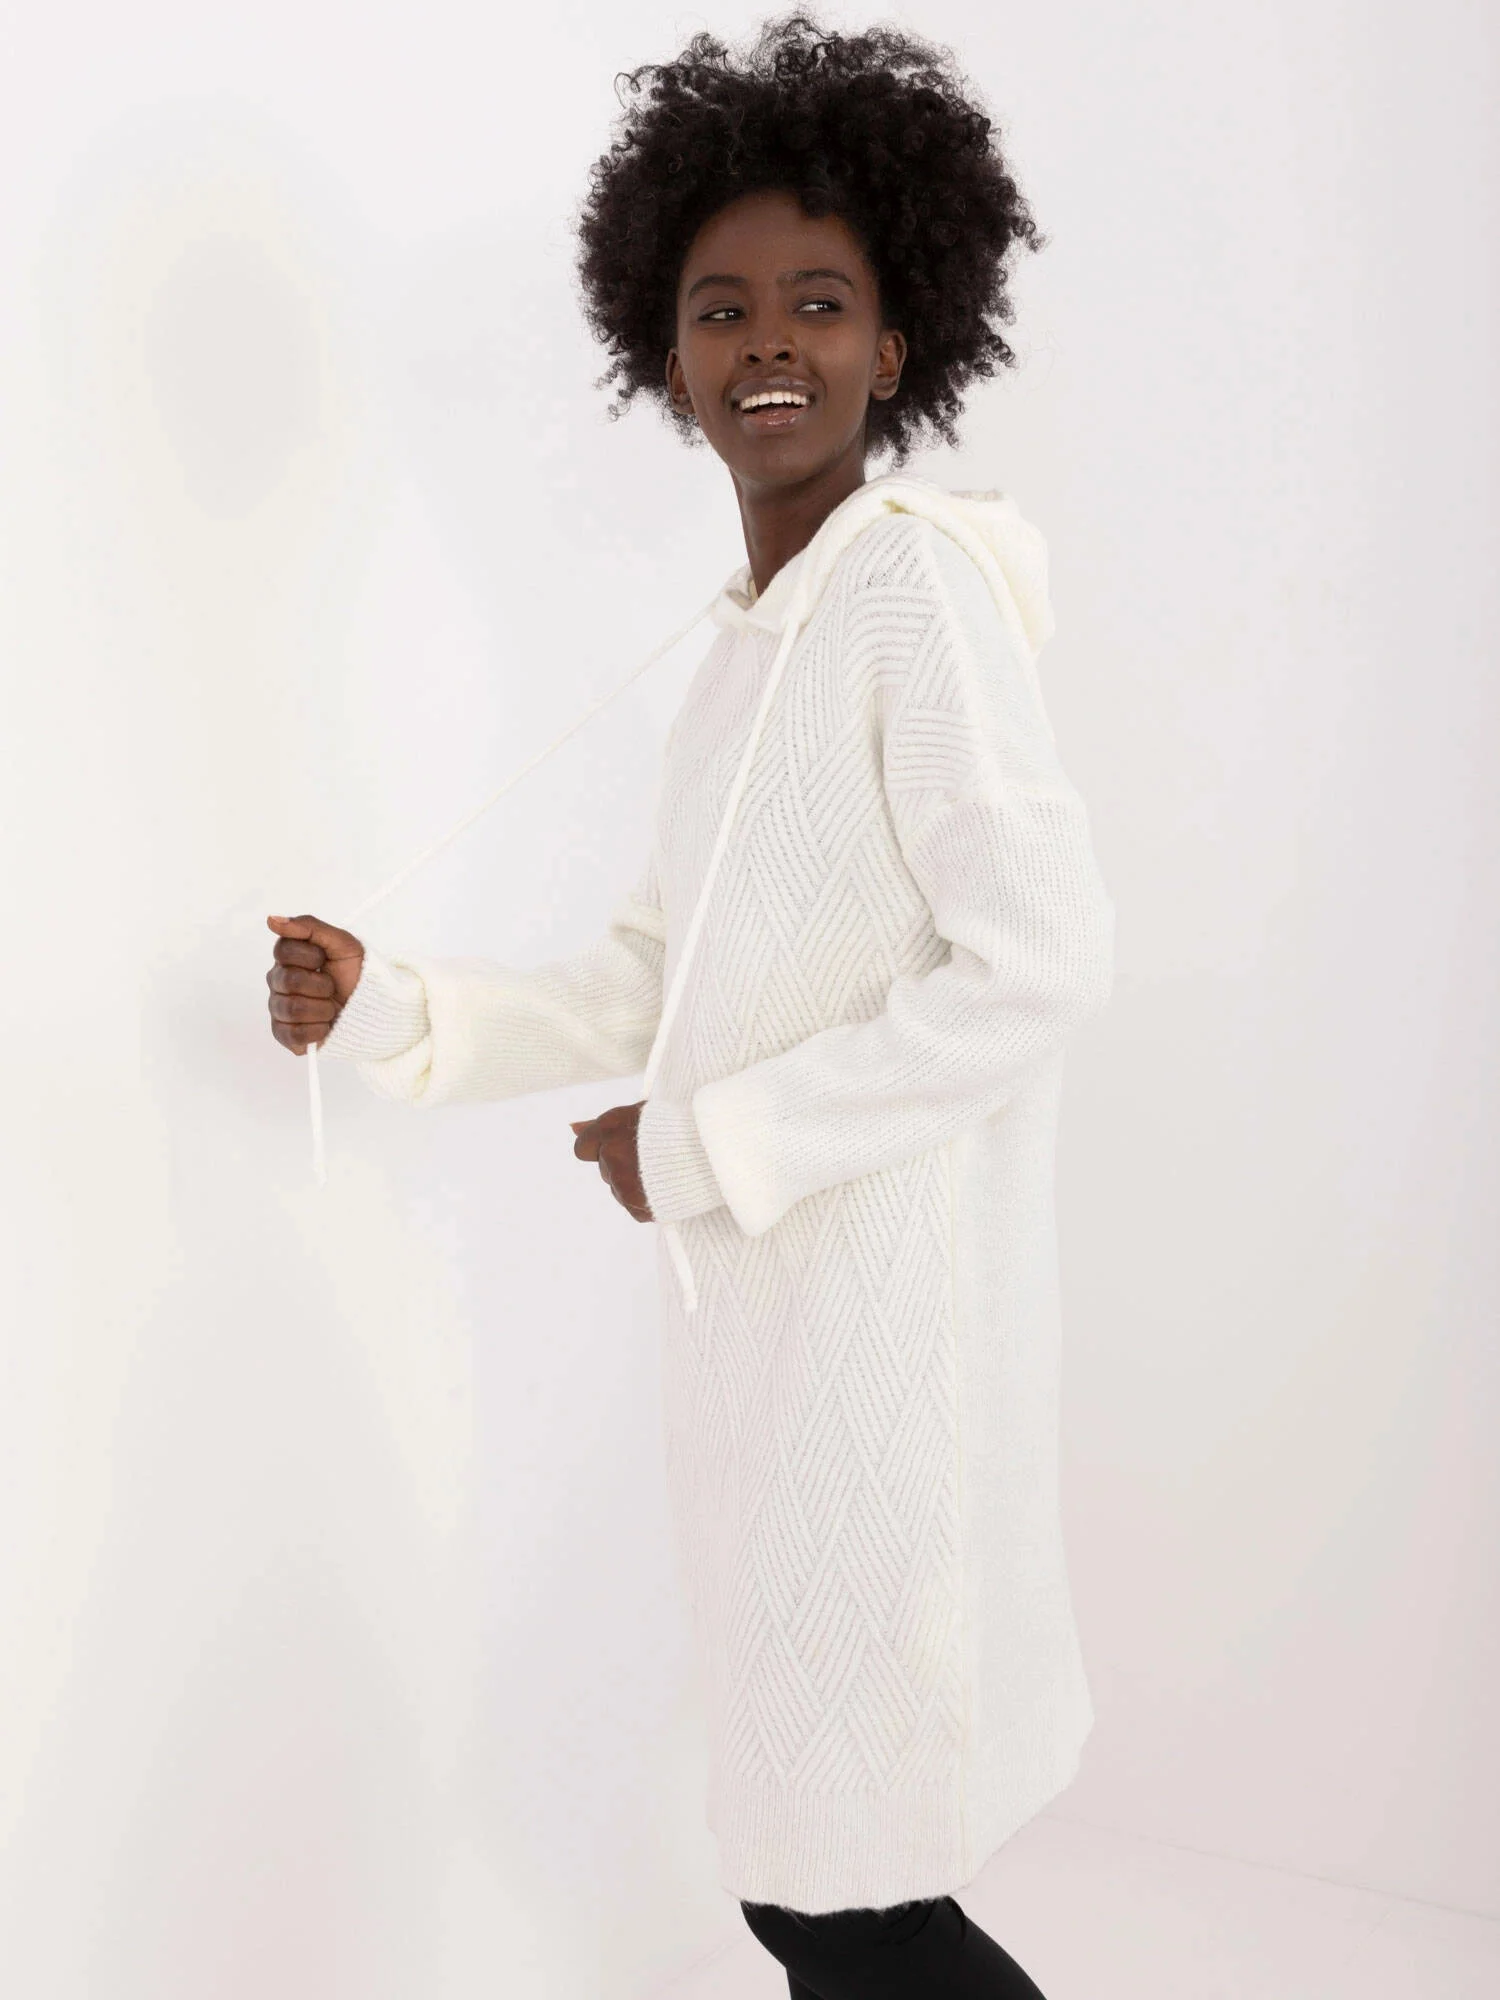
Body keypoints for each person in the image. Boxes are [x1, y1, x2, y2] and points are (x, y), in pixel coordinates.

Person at [265, 14, 1114, 1993]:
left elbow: (1045, 955)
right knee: (808, 1875)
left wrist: (712, 1143)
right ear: (666, 361)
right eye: (722, 309)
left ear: (897, 345)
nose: (768, 344)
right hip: (767, 1363)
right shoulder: (748, 649)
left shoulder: (913, 597)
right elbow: (661, 971)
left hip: (889, 1360)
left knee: (848, 1890)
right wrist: (392, 1004)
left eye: (820, 303)